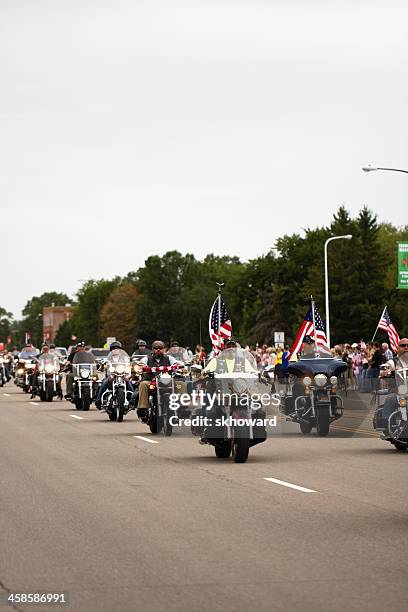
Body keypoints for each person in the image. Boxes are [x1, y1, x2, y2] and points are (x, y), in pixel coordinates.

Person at [136, 340, 178, 417]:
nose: (158, 350)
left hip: (167, 381)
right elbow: (141, 364)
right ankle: (142, 408)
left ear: (164, 349)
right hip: (151, 381)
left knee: (180, 384)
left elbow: (176, 364)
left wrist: (179, 366)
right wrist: (143, 367)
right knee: (143, 384)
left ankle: (182, 406)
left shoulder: (169, 358)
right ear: (152, 349)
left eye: (161, 348)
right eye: (156, 348)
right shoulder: (147, 358)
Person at [376, 338, 408, 426]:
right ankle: (386, 423)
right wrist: (385, 372)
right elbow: (383, 369)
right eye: (403, 346)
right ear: (397, 349)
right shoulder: (393, 361)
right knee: (391, 398)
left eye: (407, 346)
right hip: (397, 392)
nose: (406, 347)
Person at [95, 341, 133, 408]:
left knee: (129, 384)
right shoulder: (108, 359)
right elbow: (102, 367)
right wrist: (103, 364)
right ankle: (98, 400)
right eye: (114, 348)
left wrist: (128, 375)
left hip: (122, 375)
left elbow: (128, 365)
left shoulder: (124, 358)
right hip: (111, 376)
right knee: (104, 383)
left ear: (120, 350)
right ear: (111, 350)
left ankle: (132, 400)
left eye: (117, 348)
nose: (116, 350)